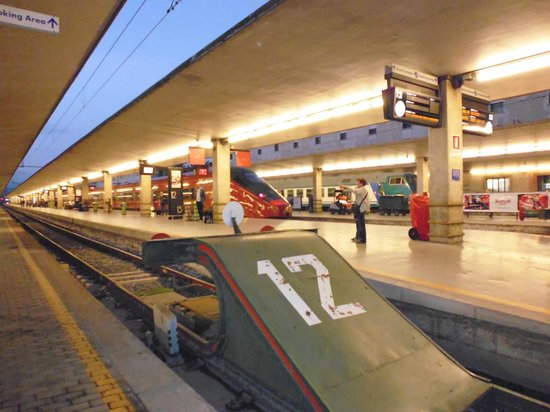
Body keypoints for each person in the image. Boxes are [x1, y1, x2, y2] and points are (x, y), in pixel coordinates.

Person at [340, 178, 369, 244]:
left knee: (361, 224)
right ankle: (358, 237)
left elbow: (355, 191)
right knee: (358, 224)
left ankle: (362, 239)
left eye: (358, 182)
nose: (357, 183)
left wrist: (345, 187)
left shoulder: (362, 189)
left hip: (361, 209)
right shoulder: (360, 189)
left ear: (361, 183)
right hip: (358, 208)